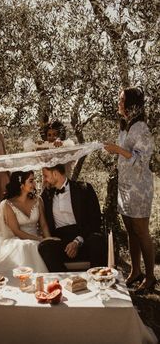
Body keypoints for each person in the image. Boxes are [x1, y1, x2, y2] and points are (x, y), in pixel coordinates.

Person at [104, 86, 156, 294]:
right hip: (125, 186)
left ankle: (151, 277)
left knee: (141, 231)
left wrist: (117, 150)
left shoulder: (141, 127)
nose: (119, 102)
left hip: (139, 188)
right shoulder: (125, 127)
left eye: (122, 99)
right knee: (130, 231)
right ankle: (136, 271)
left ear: (132, 104)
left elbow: (141, 160)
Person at [0, 171, 51, 276]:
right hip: (18, 239)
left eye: (34, 180)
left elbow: (43, 225)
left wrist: (48, 240)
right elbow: (16, 231)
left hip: (37, 238)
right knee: (25, 246)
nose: (34, 184)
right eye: (31, 181)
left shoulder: (38, 200)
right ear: (21, 185)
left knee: (35, 245)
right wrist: (40, 240)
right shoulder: (8, 204)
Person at [38, 164, 106, 272]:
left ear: (55, 174)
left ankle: (97, 279)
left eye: (45, 176)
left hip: (84, 237)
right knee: (44, 247)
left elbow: (95, 220)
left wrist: (77, 241)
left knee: (97, 240)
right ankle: (68, 282)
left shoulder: (84, 189)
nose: (44, 180)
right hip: (60, 241)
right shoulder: (45, 196)